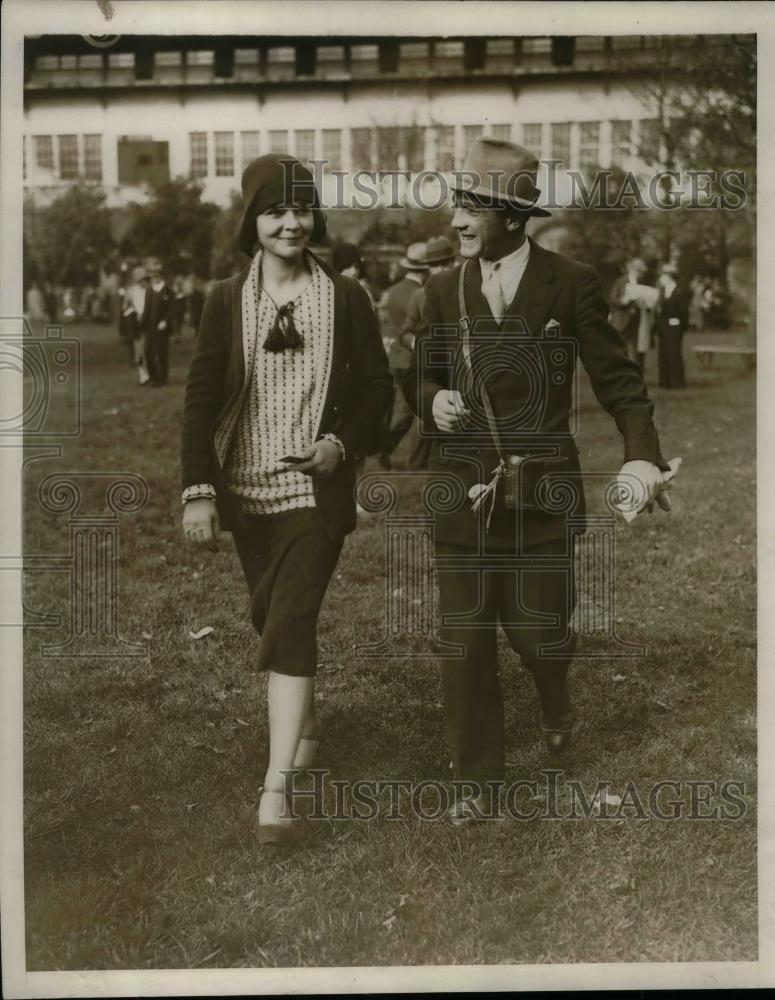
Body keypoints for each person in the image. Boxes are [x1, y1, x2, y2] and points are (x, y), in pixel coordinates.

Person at [404, 137, 674, 822]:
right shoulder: (441, 288)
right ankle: (477, 779)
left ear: (515, 218)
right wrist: (430, 401)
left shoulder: (571, 283)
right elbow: (421, 375)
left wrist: (640, 454)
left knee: (539, 633)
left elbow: (619, 381)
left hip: (542, 492)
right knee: (463, 641)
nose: (458, 220)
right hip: (461, 486)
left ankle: (554, 694)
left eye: (473, 207)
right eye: (456, 205)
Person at [181, 153, 392, 845]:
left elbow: (376, 395)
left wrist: (340, 446)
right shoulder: (222, 300)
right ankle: (304, 721)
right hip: (246, 495)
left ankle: (276, 790)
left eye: (301, 209)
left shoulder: (348, 298)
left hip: (314, 494)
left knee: (292, 618)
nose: (290, 223)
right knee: (270, 614)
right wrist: (199, 491)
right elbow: (199, 400)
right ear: (253, 222)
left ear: (315, 217)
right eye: (275, 211)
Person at [399, 235, 457, 471]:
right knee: (425, 420)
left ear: (454, 261)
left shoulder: (468, 287)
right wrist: (419, 346)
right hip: (430, 366)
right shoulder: (420, 295)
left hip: (459, 365)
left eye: (445, 263)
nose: (440, 269)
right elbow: (405, 331)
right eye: (434, 265)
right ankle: (418, 466)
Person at [378, 242, 430, 466]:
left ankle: (384, 446)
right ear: (424, 269)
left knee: (404, 408)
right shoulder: (421, 294)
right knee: (419, 412)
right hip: (413, 358)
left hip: (396, 358)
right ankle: (414, 460)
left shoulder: (392, 292)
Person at [141, 258, 173, 387]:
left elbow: (172, 309)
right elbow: (146, 308)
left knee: (161, 353)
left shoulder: (167, 290)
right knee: (148, 351)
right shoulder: (149, 290)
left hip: (162, 327)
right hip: (150, 327)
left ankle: (163, 378)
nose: (154, 277)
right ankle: (153, 377)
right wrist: (142, 324)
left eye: (156, 275)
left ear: (160, 275)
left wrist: (166, 321)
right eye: (152, 275)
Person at [657, 262, 689, 389]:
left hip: (675, 326)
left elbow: (684, 312)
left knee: (674, 354)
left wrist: (681, 326)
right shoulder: (663, 291)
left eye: (664, 275)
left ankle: (677, 383)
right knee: (663, 353)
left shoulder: (680, 291)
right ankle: (664, 382)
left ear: (670, 276)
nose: (661, 278)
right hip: (663, 326)